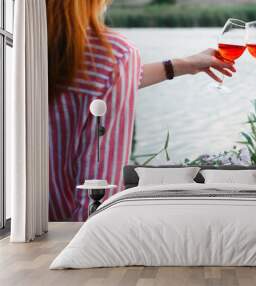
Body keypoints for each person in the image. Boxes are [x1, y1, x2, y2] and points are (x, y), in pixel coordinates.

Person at [46, 0, 236, 221]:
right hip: (71, 231)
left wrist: (183, 64)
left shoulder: (21, 43)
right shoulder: (112, 54)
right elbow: (98, 193)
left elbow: (106, 80)